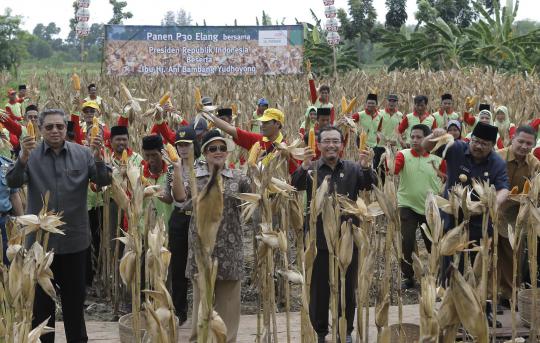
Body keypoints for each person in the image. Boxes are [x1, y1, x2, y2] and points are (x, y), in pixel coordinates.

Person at [6, 108, 112, 343]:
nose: (55, 130)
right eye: (49, 127)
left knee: (74, 305)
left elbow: (103, 181)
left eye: (60, 126)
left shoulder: (83, 154)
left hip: (75, 243)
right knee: (42, 310)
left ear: (66, 128)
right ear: (41, 129)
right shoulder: (31, 155)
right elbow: (12, 181)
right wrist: (22, 157)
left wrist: (98, 157)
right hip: (41, 247)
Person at [291, 126, 376, 343]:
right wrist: (303, 167)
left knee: (347, 287)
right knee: (319, 289)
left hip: (348, 236)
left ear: (342, 145)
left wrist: (367, 167)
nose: (331, 145)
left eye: (335, 141)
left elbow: (370, 184)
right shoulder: (312, 169)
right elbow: (294, 185)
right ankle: (319, 333)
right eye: (326, 141)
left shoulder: (353, 168)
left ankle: (344, 331)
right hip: (318, 239)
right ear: (318, 145)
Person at [422, 121, 509, 323]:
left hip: (480, 221)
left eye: (484, 144)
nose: (478, 146)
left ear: (492, 146)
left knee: (480, 266)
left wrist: (495, 201)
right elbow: (425, 147)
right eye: (476, 141)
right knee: (450, 264)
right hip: (452, 218)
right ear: (470, 139)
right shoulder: (457, 148)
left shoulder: (497, 163)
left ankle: (481, 312)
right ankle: (450, 310)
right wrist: (434, 135)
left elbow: (504, 187)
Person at [186, 130, 251, 343]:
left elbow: (253, 203)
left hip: (229, 249)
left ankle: (226, 340)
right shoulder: (194, 177)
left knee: (229, 304)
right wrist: (178, 169)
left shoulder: (240, 177)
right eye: (212, 148)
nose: (218, 152)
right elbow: (179, 199)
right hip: (202, 248)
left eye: (222, 148)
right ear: (204, 152)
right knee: (200, 302)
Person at [391, 124, 446, 289]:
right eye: (412, 137)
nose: (414, 140)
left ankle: (437, 274)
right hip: (406, 204)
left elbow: (448, 179)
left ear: (428, 140)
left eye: (419, 137)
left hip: (431, 207)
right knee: (406, 242)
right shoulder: (403, 155)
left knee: (433, 243)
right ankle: (408, 276)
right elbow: (393, 169)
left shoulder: (438, 160)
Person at [496, 126, 540, 305]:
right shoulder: (497, 157)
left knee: (511, 252)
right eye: (520, 141)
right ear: (512, 138)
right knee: (489, 253)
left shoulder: (534, 164)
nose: (524, 146)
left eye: (528, 143)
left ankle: (507, 294)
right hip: (494, 208)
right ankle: (488, 294)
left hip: (515, 214)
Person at [160, 127, 199, 325]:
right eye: (179, 145)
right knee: (178, 266)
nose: (183, 149)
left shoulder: (202, 166)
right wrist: (159, 194)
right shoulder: (170, 169)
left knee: (200, 264)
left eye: (186, 145)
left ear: (194, 145)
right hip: (179, 218)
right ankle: (180, 311)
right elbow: (170, 197)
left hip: (198, 218)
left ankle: (203, 309)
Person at [207, 107, 299, 174]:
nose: (262, 126)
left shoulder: (288, 149)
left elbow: (295, 177)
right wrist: (206, 114)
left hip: (278, 198)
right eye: (262, 122)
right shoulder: (256, 140)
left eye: (266, 123)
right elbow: (229, 128)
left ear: (277, 124)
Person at [140, 135, 173, 226]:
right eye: (147, 155)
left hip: (168, 226)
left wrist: (155, 191)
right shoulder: (138, 173)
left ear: (162, 153)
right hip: (145, 228)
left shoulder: (172, 173)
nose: (150, 159)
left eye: (154, 155)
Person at [0, 155, 23, 264]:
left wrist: (22, 222)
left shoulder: (6, 165)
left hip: (4, 222)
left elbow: (14, 196)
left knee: (8, 262)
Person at [352, 94, 384, 169]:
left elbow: (379, 130)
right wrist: (355, 130)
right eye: (368, 103)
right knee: (362, 164)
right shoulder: (360, 115)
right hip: (362, 143)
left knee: (373, 165)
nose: (370, 105)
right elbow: (350, 122)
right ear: (366, 104)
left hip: (374, 144)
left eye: (372, 103)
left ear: (376, 104)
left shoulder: (380, 116)